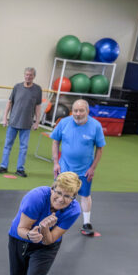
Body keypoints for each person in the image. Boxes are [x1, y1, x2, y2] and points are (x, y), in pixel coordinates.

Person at [51, 99, 106, 236]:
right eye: (75, 110)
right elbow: (55, 142)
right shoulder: (64, 123)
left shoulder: (95, 126)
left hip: (84, 169)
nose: (77, 113)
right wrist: (56, 163)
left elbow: (100, 148)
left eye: (81, 111)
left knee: (85, 195)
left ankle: (86, 223)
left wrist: (92, 168)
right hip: (64, 168)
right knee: (59, 193)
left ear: (87, 111)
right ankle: (52, 219)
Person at [0, 67, 44, 177]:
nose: (28, 76)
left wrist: (37, 122)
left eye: (31, 75)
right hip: (13, 122)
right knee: (7, 146)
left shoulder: (37, 89)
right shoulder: (17, 87)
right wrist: (5, 118)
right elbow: (9, 103)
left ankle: (20, 169)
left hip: (26, 124)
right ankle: (3, 166)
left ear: (34, 76)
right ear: (24, 75)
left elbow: (38, 107)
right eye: (27, 74)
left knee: (23, 148)